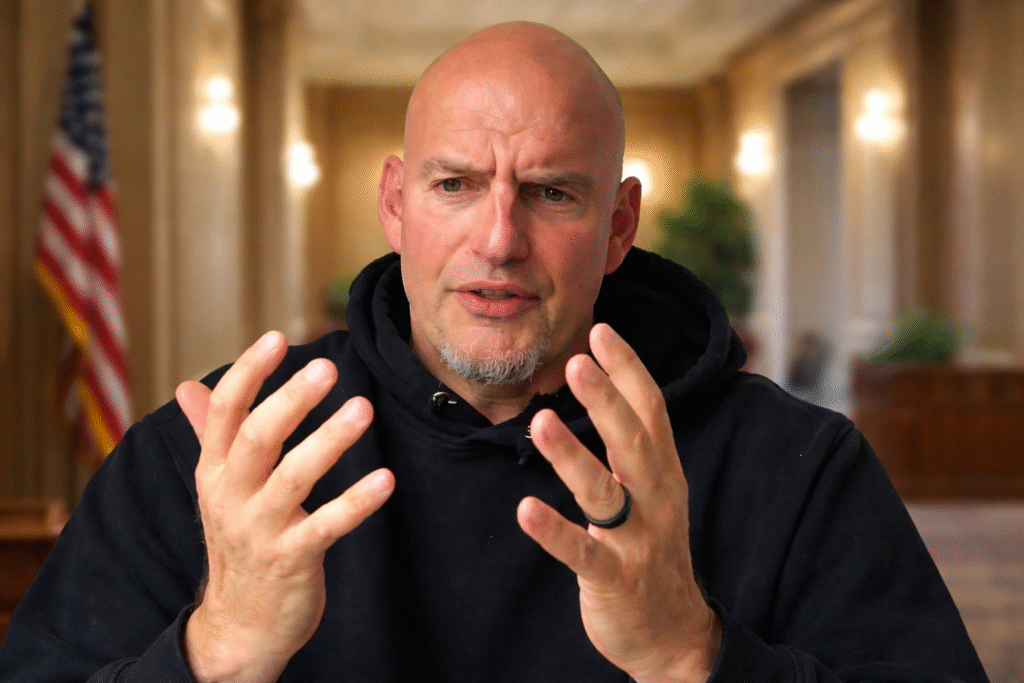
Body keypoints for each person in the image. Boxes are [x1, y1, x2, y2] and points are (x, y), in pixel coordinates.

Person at [0, 22, 987, 683]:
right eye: (454, 185)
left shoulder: (797, 464)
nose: (499, 240)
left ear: (617, 223)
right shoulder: (226, 449)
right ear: (395, 204)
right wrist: (216, 645)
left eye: (552, 191)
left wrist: (697, 652)